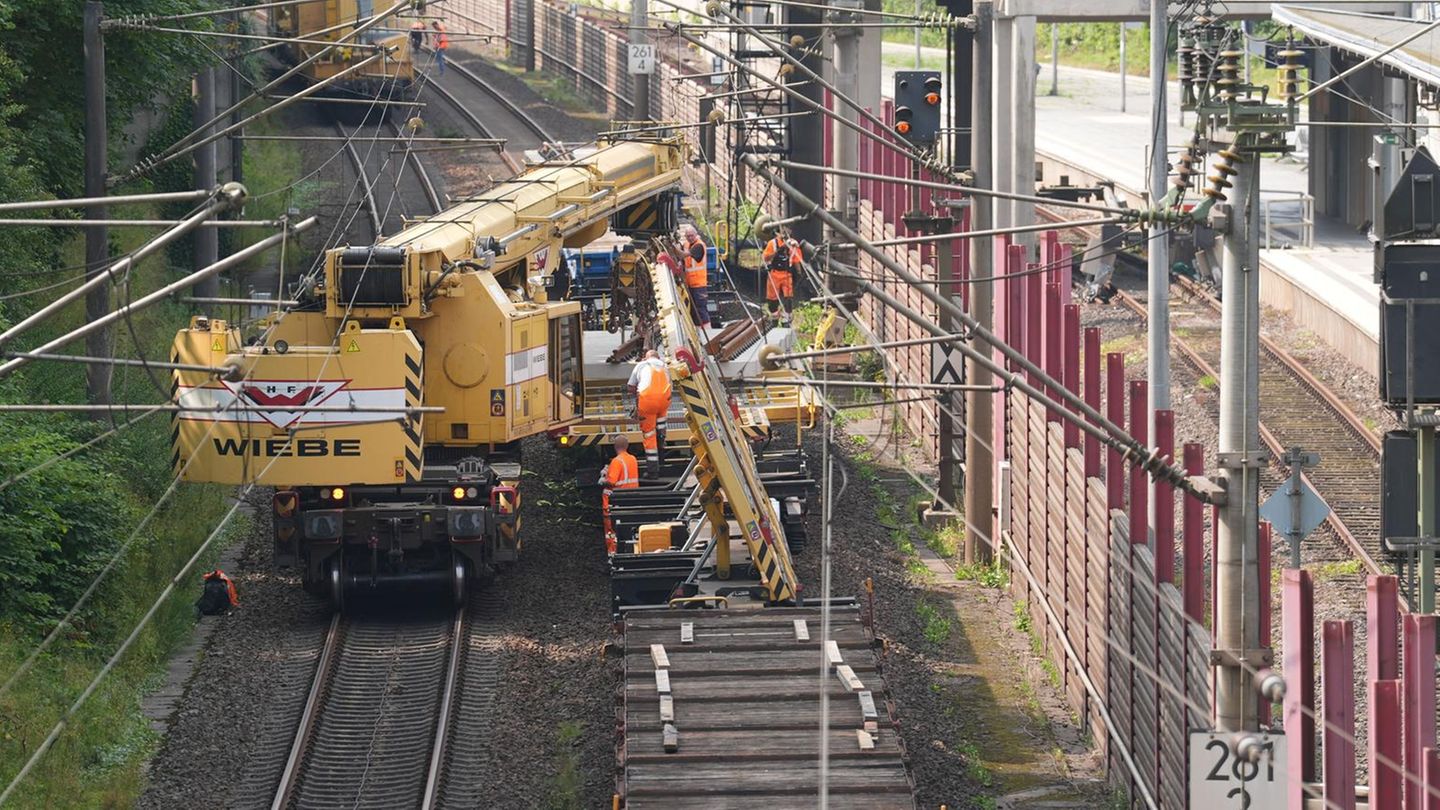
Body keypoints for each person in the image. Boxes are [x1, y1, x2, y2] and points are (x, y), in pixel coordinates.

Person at [626, 349, 672, 478]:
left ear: (646, 358)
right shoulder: (665, 366)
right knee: (661, 430)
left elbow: (630, 386)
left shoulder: (642, 365)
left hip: (648, 401)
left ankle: (653, 471)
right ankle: (662, 461)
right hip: (664, 401)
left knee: (649, 434)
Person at [599, 434, 640, 555]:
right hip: (630, 500)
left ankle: (613, 553)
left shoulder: (616, 462)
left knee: (611, 532)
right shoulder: (632, 459)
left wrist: (602, 479)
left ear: (615, 447)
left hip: (614, 504)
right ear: (627, 446)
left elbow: (611, 482)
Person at [679, 224, 718, 329]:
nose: (690, 238)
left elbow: (683, 255)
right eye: (688, 236)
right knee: (693, 310)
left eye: (692, 235)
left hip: (699, 284)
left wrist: (673, 248)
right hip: (690, 284)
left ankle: (708, 331)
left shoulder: (699, 246)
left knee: (701, 309)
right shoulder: (687, 244)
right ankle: (696, 330)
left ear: (696, 235)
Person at [761, 230, 802, 323]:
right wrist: (778, 250)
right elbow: (765, 258)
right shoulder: (772, 243)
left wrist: (799, 273)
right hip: (774, 273)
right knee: (772, 298)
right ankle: (774, 318)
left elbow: (796, 260)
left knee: (788, 297)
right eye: (782, 233)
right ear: (778, 233)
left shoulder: (794, 244)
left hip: (787, 274)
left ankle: (787, 319)